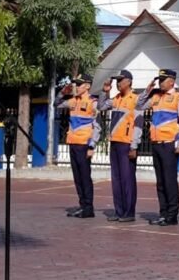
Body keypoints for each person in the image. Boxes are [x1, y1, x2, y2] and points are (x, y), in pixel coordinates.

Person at [138, 69, 179, 226]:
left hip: (169, 143)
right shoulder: (156, 96)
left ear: (171, 81)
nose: (160, 83)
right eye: (159, 80)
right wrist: (147, 90)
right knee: (160, 181)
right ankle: (163, 213)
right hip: (156, 142)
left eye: (163, 80)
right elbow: (139, 105)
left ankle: (172, 215)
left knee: (169, 180)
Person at [99, 69, 143, 223]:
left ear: (129, 81)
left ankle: (129, 212)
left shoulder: (136, 99)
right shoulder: (116, 99)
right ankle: (119, 211)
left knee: (127, 179)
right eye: (116, 81)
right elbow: (102, 106)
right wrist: (105, 92)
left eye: (120, 80)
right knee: (116, 179)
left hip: (127, 143)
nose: (118, 84)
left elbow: (139, 124)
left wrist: (134, 146)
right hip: (115, 142)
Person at [57, 74, 101, 218]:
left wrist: (91, 146)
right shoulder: (73, 101)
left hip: (84, 145)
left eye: (80, 84)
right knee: (77, 177)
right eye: (76, 84)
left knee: (85, 177)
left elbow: (97, 127)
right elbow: (56, 104)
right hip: (73, 143)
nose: (77, 87)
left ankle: (89, 208)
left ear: (87, 86)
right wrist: (63, 92)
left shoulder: (93, 102)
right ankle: (82, 205)